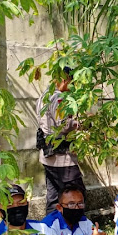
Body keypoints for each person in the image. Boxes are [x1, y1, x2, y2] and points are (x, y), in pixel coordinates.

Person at [37, 67, 85, 215]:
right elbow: (63, 125)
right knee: (76, 194)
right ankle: (76, 227)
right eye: (72, 83)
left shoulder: (44, 96)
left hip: (48, 155)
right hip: (63, 158)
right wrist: (81, 122)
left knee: (53, 195)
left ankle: (51, 229)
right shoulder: (59, 98)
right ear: (65, 80)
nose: (73, 88)